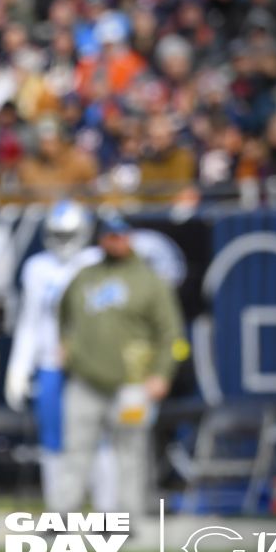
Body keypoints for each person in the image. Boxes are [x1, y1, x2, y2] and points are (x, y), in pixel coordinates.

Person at [56, 214, 184, 521]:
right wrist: (66, 346)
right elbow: (63, 315)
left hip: (132, 382)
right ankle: (62, 517)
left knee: (131, 454)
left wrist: (162, 373)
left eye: (121, 235)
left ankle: (129, 520)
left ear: (130, 237)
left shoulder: (150, 280)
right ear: (101, 238)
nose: (116, 241)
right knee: (74, 451)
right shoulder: (84, 276)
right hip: (85, 379)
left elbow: (173, 336)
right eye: (110, 235)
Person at [5, 201, 117, 512]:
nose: (64, 242)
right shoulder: (37, 268)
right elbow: (30, 321)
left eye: (69, 234)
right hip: (50, 364)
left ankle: (107, 515)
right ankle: (60, 513)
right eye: (58, 234)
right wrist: (18, 367)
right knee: (52, 444)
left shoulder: (98, 262)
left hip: (90, 367)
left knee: (98, 441)